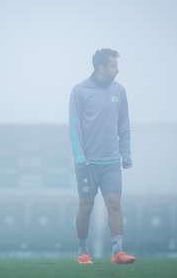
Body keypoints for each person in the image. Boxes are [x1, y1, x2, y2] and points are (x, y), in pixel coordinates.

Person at [69, 48, 136, 265]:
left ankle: (118, 252)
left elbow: (124, 124)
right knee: (85, 207)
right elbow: (74, 126)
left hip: (111, 161)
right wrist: (79, 157)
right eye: (113, 66)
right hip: (87, 163)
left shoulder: (120, 91)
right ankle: (82, 250)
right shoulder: (79, 91)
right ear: (100, 67)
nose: (117, 70)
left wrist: (126, 153)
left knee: (114, 203)